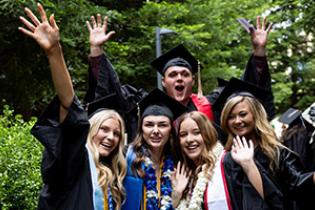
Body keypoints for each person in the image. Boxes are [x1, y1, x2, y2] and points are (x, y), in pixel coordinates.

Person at [84, 15, 275, 143]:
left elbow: (247, 96)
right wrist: (96, 52)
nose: (179, 79)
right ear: (164, 81)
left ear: (192, 81)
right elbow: (112, 92)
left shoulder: (210, 104)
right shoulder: (147, 106)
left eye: (185, 74)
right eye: (173, 75)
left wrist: (259, 52)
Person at [19, 4, 126, 210]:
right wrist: (55, 53)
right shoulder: (74, 162)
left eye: (116, 133)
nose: (111, 137)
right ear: (90, 130)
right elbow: (70, 107)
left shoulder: (110, 176)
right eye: (104, 129)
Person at [215, 77, 315, 210]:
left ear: (256, 115)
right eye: (231, 117)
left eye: (243, 114)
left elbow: (297, 183)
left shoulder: (276, 152)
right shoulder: (225, 159)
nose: (237, 121)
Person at [171, 111, 267, 210]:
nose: (189, 139)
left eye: (197, 132)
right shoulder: (185, 177)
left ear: (207, 134)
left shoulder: (228, 163)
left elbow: (259, 200)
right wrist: (177, 193)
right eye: (183, 135)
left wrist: (249, 166)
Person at [121, 88, 187, 210]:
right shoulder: (126, 158)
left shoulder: (176, 164)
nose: (155, 131)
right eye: (149, 125)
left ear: (170, 131)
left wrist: (176, 194)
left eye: (162, 125)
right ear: (141, 129)